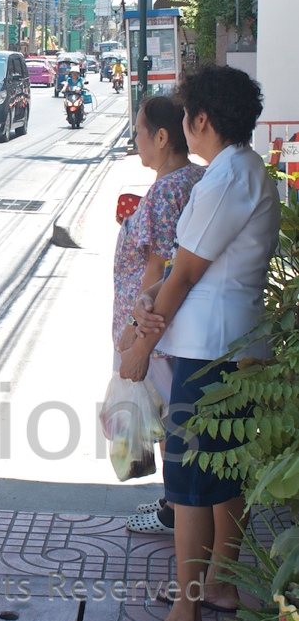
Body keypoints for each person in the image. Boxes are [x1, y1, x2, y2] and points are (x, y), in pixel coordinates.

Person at [117, 65, 281, 621]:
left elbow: (184, 273)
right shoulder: (241, 171)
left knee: (188, 485)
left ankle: (184, 619)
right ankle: (217, 583)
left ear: (200, 121)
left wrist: (137, 344)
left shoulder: (225, 178)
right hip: (225, 344)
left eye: (186, 115)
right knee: (219, 476)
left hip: (209, 350)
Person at [112, 96, 205, 536]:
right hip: (173, 327)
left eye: (139, 132)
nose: (136, 141)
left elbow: (160, 269)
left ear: (163, 137)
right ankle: (175, 503)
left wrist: (135, 336)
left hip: (157, 330)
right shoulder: (193, 177)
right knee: (173, 417)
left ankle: (174, 509)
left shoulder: (169, 190)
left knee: (169, 420)